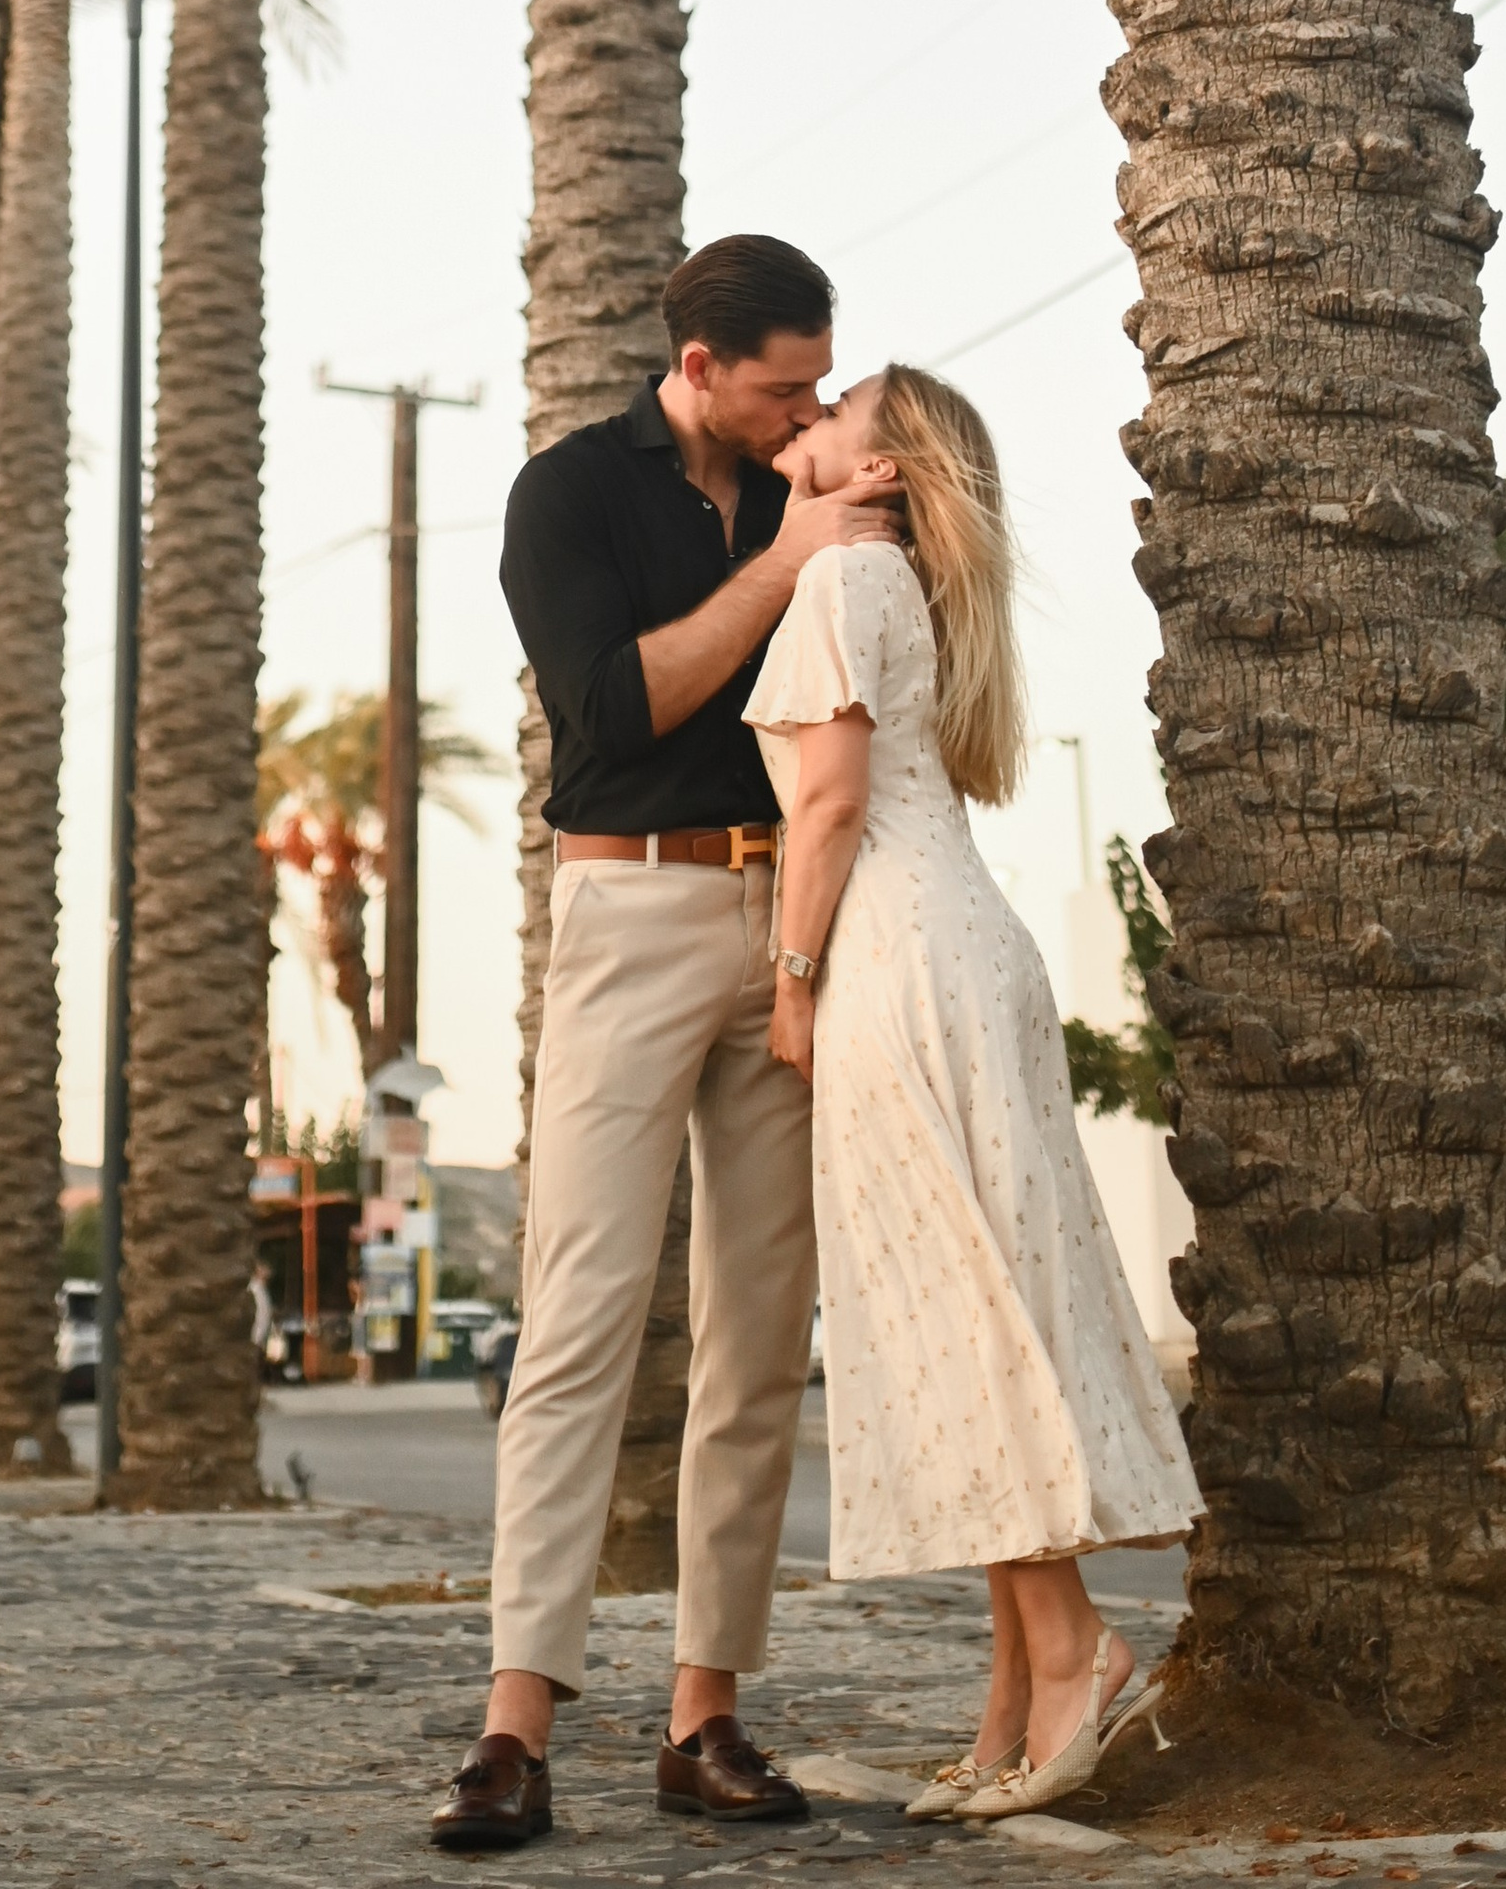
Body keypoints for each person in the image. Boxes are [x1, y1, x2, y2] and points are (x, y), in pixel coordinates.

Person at [431, 234, 900, 1856]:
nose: (806, 413)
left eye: (818, 384)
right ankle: (513, 1729)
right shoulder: (569, 495)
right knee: (581, 1315)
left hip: (794, 931)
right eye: (782, 387)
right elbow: (614, 708)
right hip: (629, 914)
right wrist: (788, 563)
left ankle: (707, 1717)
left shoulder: (817, 478)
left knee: (762, 1333)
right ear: (697, 368)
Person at [745, 364, 1201, 1822]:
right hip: (959, 946)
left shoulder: (843, 580)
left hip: (895, 957)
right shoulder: (893, 585)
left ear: (878, 475)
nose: (804, 430)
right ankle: (1010, 1698)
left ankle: (1071, 1653)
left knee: (956, 1312)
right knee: (982, 1292)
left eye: (835, 420)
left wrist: (793, 975)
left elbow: (823, 803)